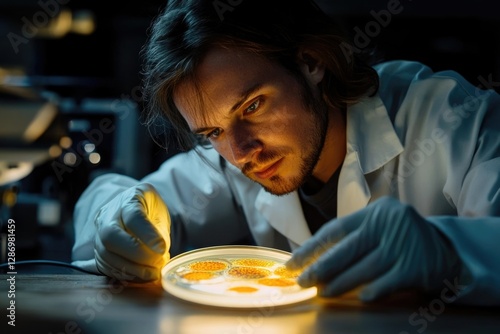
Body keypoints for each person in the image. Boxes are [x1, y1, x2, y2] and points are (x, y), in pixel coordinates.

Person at [71, 0, 500, 306]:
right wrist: (114, 215)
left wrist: (447, 251)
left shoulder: (452, 117)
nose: (241, 153)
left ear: (311, 61)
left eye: (253, 106)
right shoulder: (231, 161)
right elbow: (116, 197)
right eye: (214, 130)